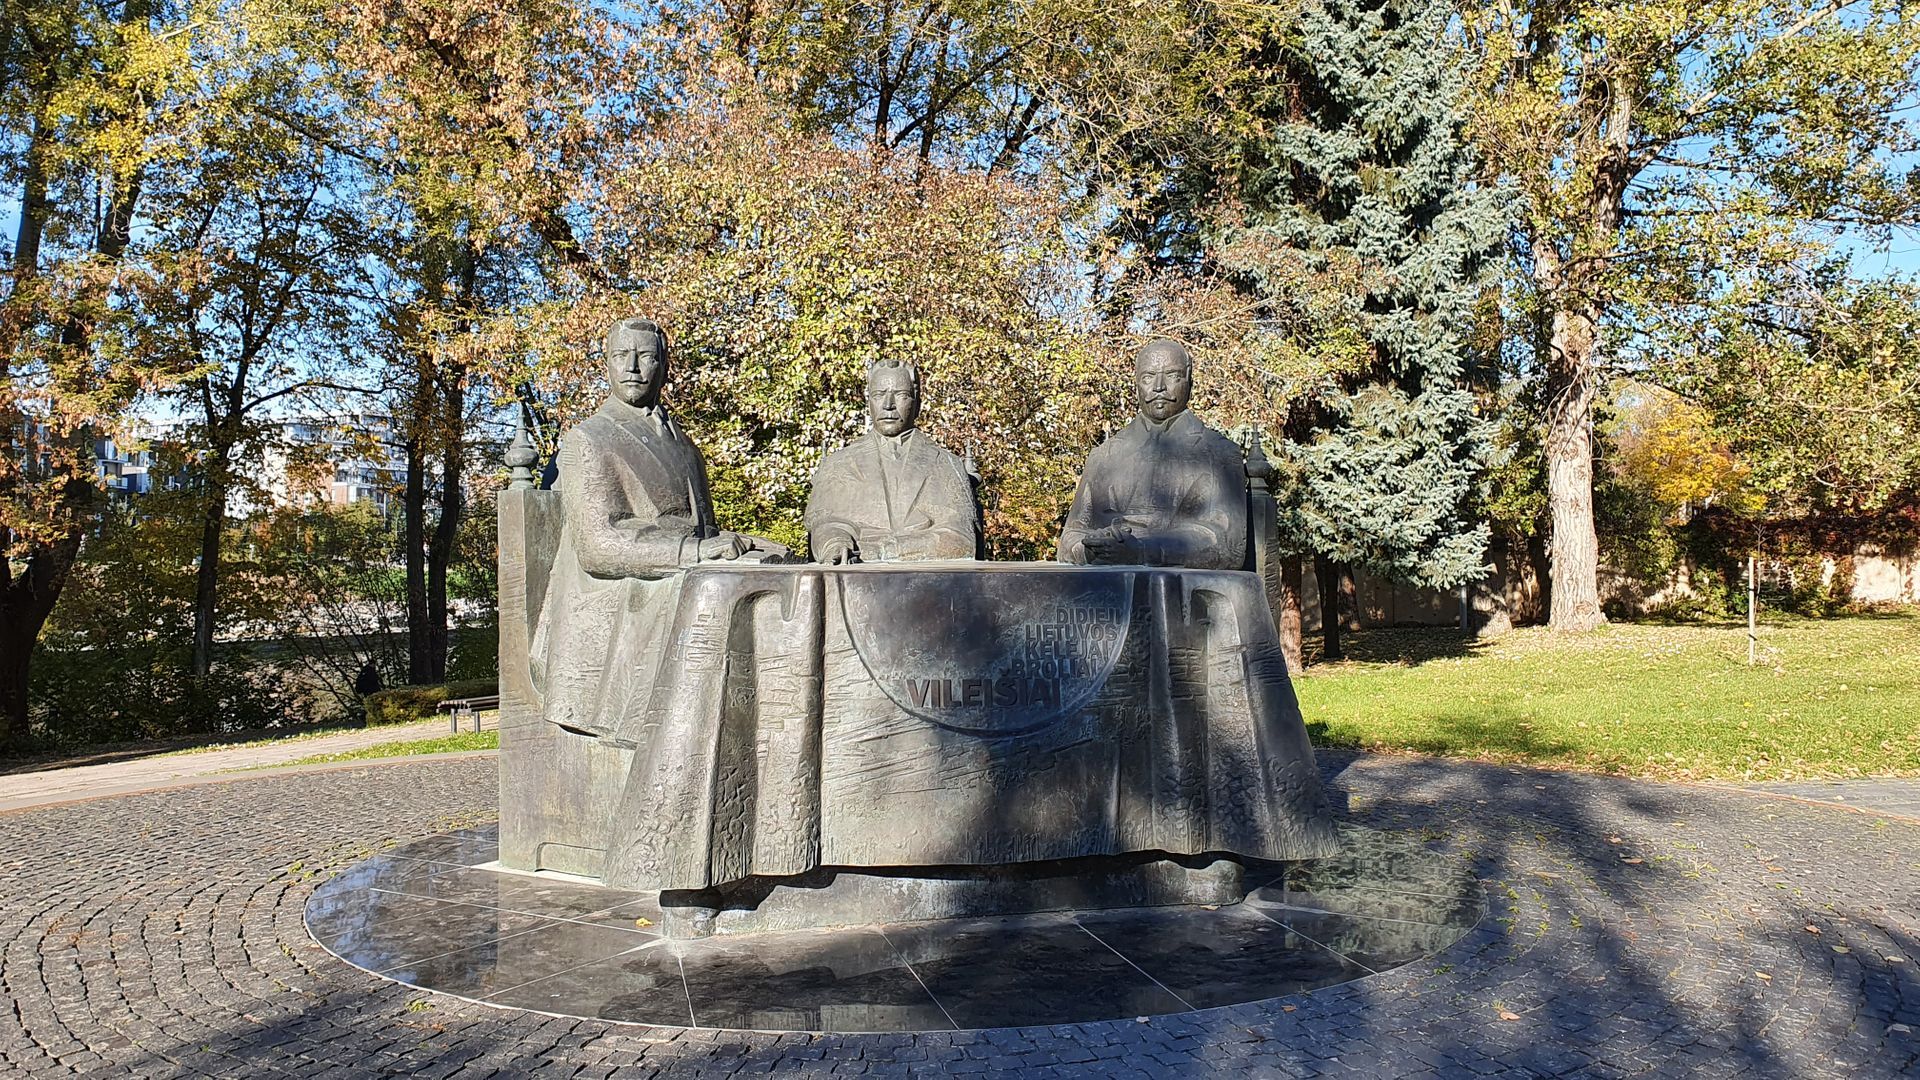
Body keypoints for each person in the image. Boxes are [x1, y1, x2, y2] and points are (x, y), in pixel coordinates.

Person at [532, 317, 784, 744]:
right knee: (715, 589)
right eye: (620, 356)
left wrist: (732, 546)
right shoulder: (588, 439)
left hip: (678, 565)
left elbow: (704, 528)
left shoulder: (680, 440)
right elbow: (599, 545)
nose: (632, 367)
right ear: (606, 365)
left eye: (646, 356)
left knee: (779, 561)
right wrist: (697, 553)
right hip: (617, 597)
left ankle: (760, 719)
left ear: (664, 366)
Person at [1056, 338, 1248, 570]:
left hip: (1177, 588)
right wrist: (1089, 549)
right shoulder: (1103, 456)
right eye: (1148, 377)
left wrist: (1144, 551)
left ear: (1190, 382)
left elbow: (1227, 545)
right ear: (1137, 384)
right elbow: (1071, 536)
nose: (1159, 386)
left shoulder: (1219, 454)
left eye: (1172, 375)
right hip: (1100, 587)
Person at [804, 359, 979, 563]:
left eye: (901, 395)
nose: (888, 405)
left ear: (917, 402)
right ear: (869, 401)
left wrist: (882, 549)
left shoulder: (947, 463)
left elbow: (961, 540)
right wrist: (834, 544)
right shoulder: (838, 463)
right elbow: (823, 523)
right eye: (879, 395)